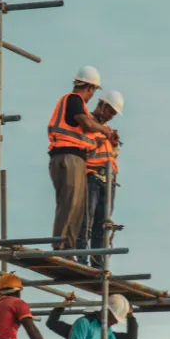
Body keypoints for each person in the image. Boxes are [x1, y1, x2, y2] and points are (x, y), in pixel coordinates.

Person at [47, 66, 119, 255]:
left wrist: (102, 140)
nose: (92, 95)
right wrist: (103, 130)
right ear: (89, 87)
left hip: (75, 159)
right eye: (93, 91)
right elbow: (87, 124)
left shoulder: (80, 107)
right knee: (69, 202)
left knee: (77, 206)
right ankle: (60, 245)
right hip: (66, 157)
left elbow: (84, 136)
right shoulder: (73, 99)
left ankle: (68, 248)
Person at [75, 90, 124, 267]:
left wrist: (114, 144)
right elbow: (82, 147)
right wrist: (101, 141)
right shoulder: (87, 123)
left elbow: (110, 155)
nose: (111, 116)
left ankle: (97, 262)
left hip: (108, 180)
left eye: (113, 113)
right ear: (101, 104)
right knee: (86, 220)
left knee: (102, 224)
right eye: (110, 111)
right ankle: (81, 258)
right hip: (92, 176)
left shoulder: (107, 130)